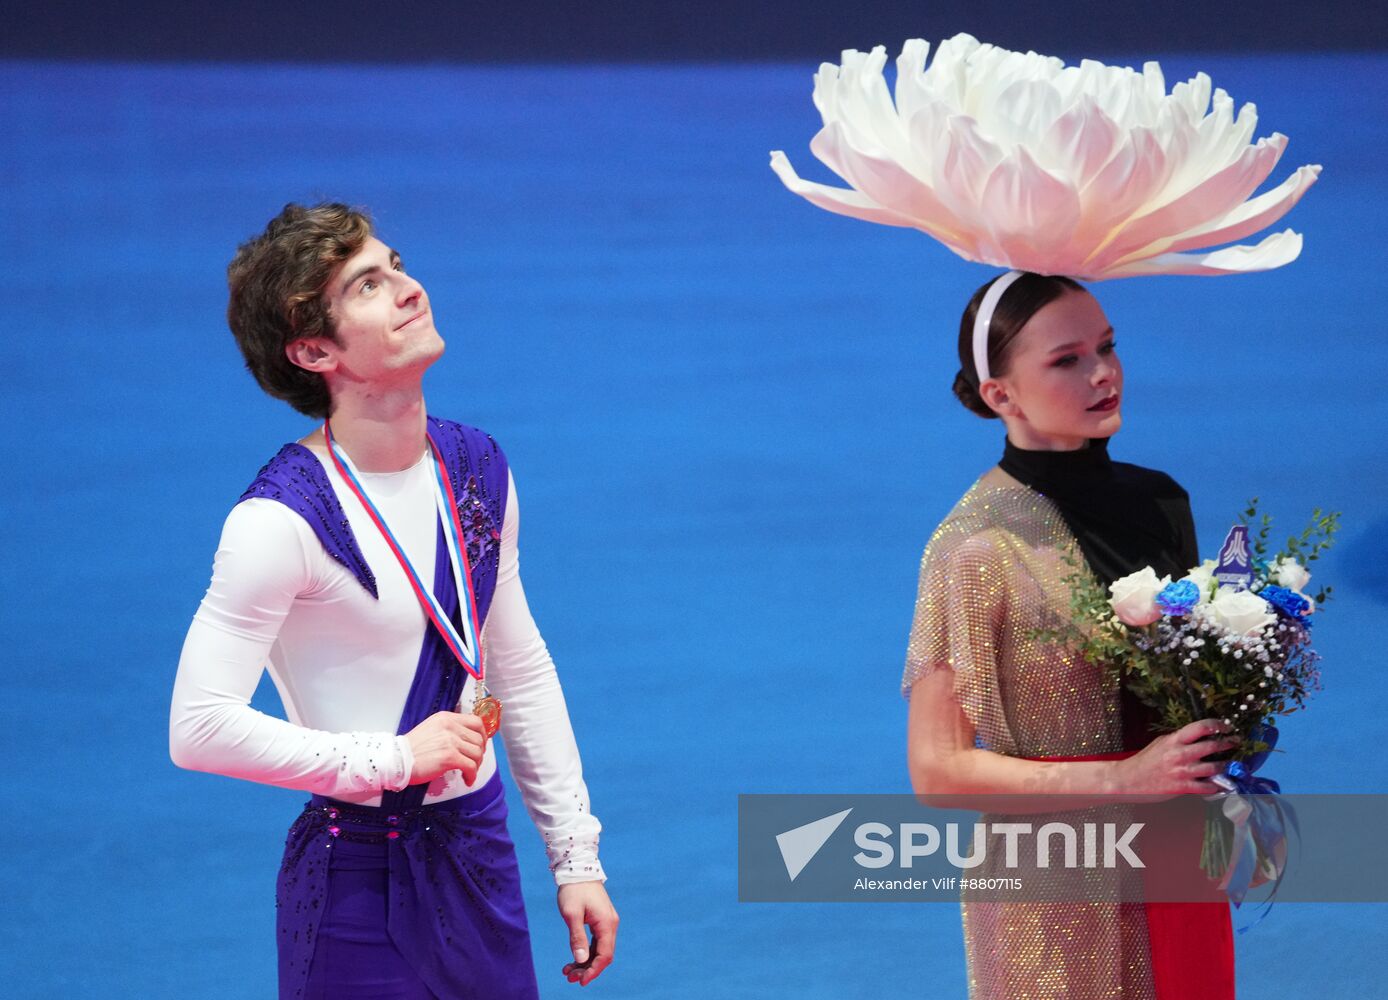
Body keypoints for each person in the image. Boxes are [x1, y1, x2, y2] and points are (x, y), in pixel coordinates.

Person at [170, 202, 617, 999]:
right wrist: (392, 757)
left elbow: (517, 662)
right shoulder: (276, 523)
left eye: (397, 265)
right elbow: (197, 728)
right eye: (368, 285)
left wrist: (574, 855)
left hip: (481, 857)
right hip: (355, 885)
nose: (408, 287)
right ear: (314, 351)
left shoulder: (477, 466)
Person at [903, 271, 1239, 1000]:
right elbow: (936, 771)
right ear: (1001, 394)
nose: (1103, 373)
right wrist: (1120, 779)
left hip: (1176, 861)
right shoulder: (974, 547)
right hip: (1051, 898)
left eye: (1108, 347)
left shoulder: (1160, 502)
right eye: (1066, 360)